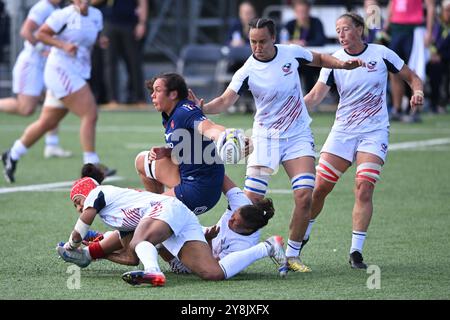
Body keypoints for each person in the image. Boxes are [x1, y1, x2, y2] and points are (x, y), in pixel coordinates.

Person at [189, 18, 364, 273]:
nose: (257, 47)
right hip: (266, 139)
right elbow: (226, 100)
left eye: (262, 41)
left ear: (273, 38)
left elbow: (321, 59)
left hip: (298, 136)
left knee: (305, 196)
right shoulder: (247, 69)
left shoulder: (290, 53)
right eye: (252, 42)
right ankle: (215, 240)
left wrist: (342, 64)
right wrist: (202, 107)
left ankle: (291, 255)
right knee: (248, 203)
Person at [303, 12, 424, 269]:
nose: (341, 34)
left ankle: (355, 252)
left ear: (360, 29)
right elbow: (314, 97)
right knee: (320, 188)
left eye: (346, 28)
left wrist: (418, 91)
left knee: (364, 187)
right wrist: (290, 112)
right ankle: (303, 234)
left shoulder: (381, 54)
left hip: (374, 132)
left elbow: (412, 76)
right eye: (338, 30)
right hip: (342, 133)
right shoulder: (333, 61)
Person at [57, 164, 287, 286]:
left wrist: (72, 244)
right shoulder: (116, 212)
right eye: (233, 215)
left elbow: (84, 219)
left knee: (142, 242)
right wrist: (89, 255)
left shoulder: (96, 193)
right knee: (212, 273)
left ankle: (154, 273)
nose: (79, 208)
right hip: (179, 218)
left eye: (77, 202)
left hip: (168, 210)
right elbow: (130, 256)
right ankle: (269, 247)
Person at [1, 0, 115, 183]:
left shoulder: (96, 15)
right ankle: (91, 167)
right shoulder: (62, 15)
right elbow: (40, 33)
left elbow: (90, 37)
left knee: (47, 122)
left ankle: (13, 154)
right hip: (61, 70)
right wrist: (63, 46)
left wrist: (100, 41)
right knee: (90, 113)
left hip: (78, 71)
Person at [135, 73, 247, 215]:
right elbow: (190, 144)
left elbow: (209, 128)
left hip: (198, 190)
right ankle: (164, 213)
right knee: (142, 160)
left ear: (173, 94)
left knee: (140, 213)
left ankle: (162, 214)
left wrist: (228, 137)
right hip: (195, 180)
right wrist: (167, 151)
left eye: (157, 90)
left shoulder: (184, 111)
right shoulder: (170, 115)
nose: (152, 95)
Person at [0, 0, 72, 159]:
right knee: (26, 109)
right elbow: (25, 31)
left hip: (49, 65)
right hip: (32, 64)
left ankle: (52, 144)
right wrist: (41, 49)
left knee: (58, 100)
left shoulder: (57, 8)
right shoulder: (43, 7)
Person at [385, 0, 435, 122]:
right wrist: (386, 23)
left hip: (414, 28)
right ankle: (397, 109)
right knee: (393, 69)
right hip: (396, 28)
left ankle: (415, 109)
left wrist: (429, 31)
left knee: (415, 68)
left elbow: (430, 6)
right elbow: (392, 4)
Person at [102, 0, 148, 107]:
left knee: (134, 62)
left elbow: (142, 2)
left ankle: (139, 98)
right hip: (110, 23)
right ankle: (112, 99)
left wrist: (142, 22)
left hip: (130, 23)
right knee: (110, 63)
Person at [280, 0, 327, 95]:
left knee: (308, 67)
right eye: (299, 12)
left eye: (304, 12)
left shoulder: (316, 22)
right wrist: (294, 42)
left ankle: (310, 96)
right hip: (295, 60)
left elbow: (321, 40)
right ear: (295, 12)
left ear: (309, 10)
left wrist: (305, 43)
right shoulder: (290, 24)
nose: (302, 15)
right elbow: (282, 41)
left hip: (313, 58)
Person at [426, 0, 450, 114]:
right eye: (447, 10)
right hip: (433, 59)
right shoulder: (436, 25)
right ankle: (433, 103)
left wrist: (441, 56)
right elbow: (431, 43)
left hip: (445, 58)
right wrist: (432, 53)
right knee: (434, 68)